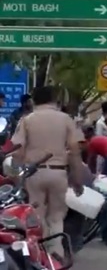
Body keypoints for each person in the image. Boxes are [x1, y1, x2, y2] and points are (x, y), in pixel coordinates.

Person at [10, 86, 84, 259]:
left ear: (34, 100)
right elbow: (75, 151)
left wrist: (16, 175)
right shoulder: (66, 119)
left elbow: (17, 151)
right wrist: (77, 178)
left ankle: (41, 255)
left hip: (34, 173)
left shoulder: (27, 120)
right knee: (57, 216)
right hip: (58, 173)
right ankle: (56, 252)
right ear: (54, 99)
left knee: (37, 215)